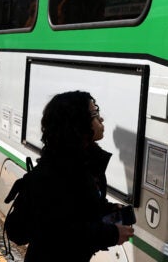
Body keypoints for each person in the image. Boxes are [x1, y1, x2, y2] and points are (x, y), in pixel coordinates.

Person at [24, 91, 134, 261]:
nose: (101, 119)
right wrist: (112, 234)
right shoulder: (56, 172)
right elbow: (60, 231)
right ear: (77, 123)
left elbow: (81, 208)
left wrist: (108, 210)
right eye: (94, 114)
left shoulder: (84, 162)